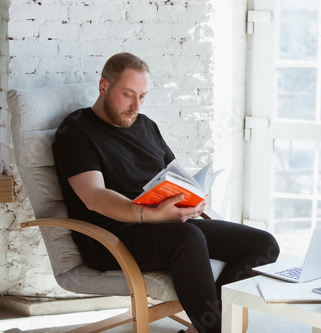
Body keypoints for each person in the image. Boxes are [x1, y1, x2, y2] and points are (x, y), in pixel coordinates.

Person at [52, 52, 279, 333]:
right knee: (188, 236)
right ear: (104, 87)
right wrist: (151, 215)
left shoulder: (146, 126)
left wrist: (192, 201)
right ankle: (216, 329)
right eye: (128, 95)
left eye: (143, 96)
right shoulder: (75, 132)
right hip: (112, 237)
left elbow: (175, 176)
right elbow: (94, 196)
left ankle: (206, 326)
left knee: (263, 244)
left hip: (165, 225)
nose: (136, 106)